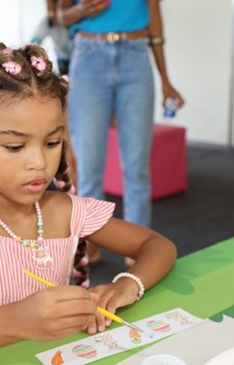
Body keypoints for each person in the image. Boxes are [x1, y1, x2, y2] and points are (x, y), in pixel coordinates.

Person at [0, 41, 177, 365]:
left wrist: (128, 283)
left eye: (53, 142)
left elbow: (158, 245)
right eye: (14, 146)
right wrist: (16, 321)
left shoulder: (65, 211)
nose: (39, 162)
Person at [53, 0, 184, 265]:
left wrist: (167, 81)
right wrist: (82, 11)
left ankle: (138, 249)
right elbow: (61, 15)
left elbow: (154, 15)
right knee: (89, 169)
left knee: (137, 168)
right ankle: (91, 243)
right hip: (88, 57)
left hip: (136, 56)